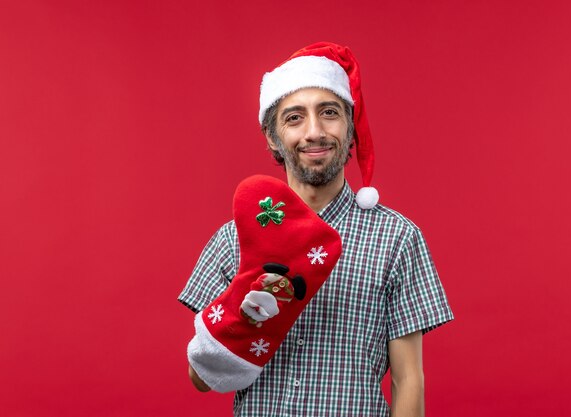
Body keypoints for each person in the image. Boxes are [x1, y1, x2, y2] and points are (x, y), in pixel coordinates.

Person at [178, 42, 453, 417]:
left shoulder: (397, 239)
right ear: (273, 138)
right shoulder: (232, 240)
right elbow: (201, 378)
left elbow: (408, 380)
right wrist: (243, 307)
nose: (314, 132)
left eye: (329, 113)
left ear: (351, 128)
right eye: (294, 118)